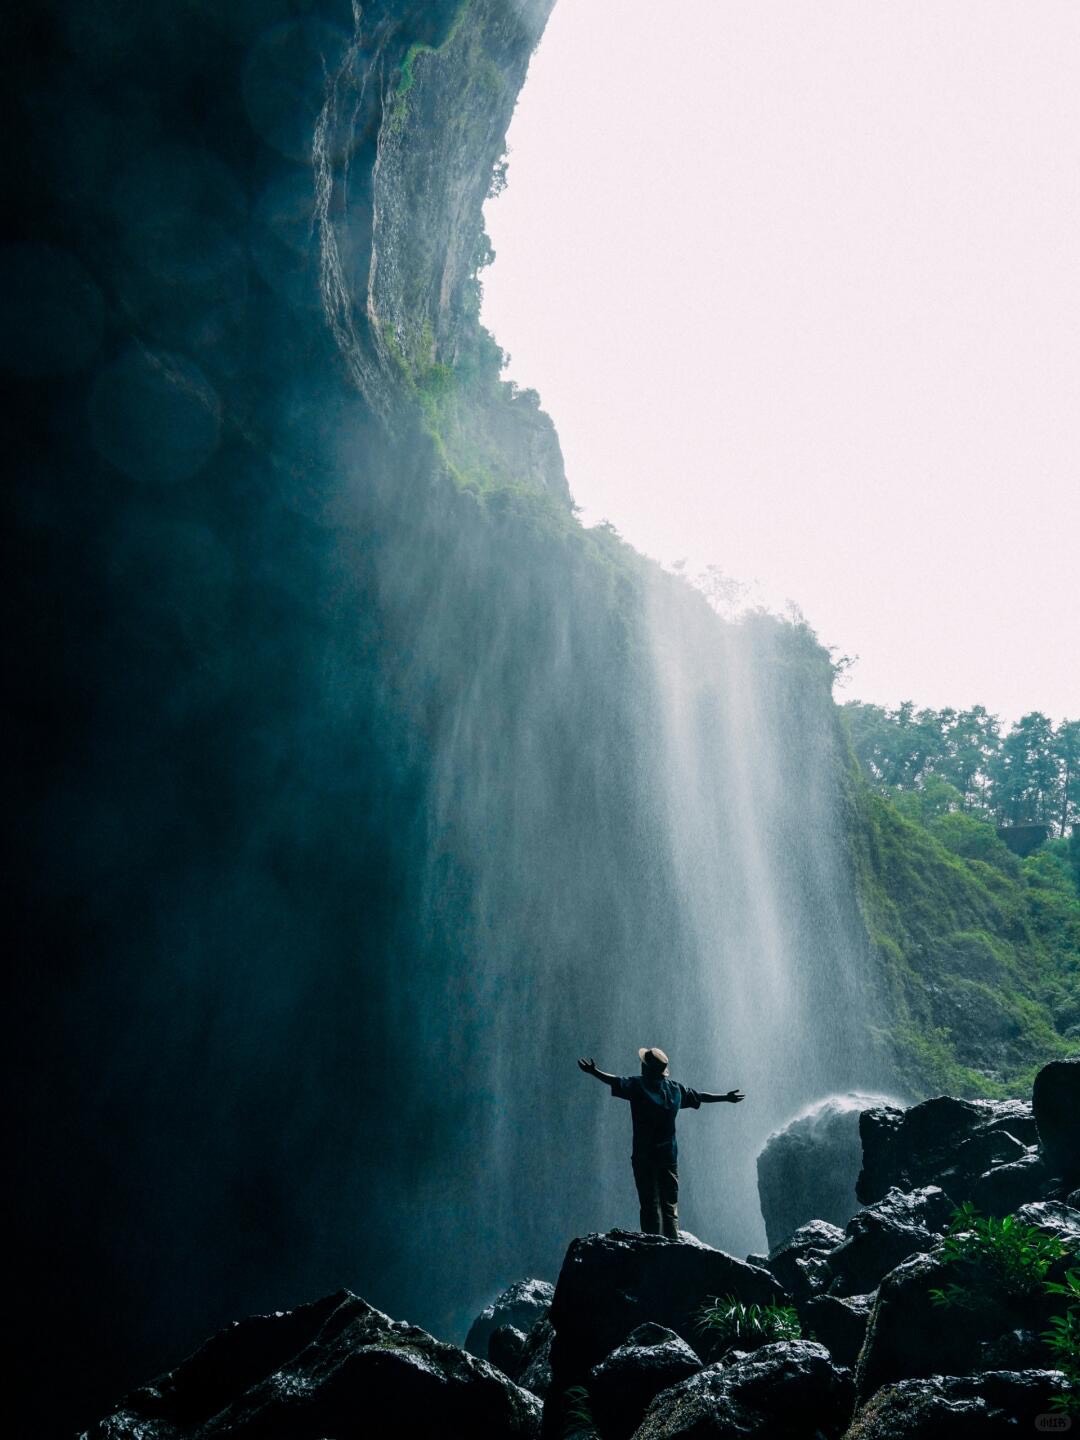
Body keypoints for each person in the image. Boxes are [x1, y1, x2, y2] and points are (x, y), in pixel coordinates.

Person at [578, 1047, 744, 1240]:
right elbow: (700, 1096)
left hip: (644, 1155)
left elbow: (614, 1081)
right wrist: (725, 1097)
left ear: (647, 1069)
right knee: (669, 1205)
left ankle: (654, 1245)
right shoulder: (675, 1090)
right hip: (668, 1157)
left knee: (649, 1204)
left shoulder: (639, 1086)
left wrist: (594, 1071)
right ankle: (672, 1244)